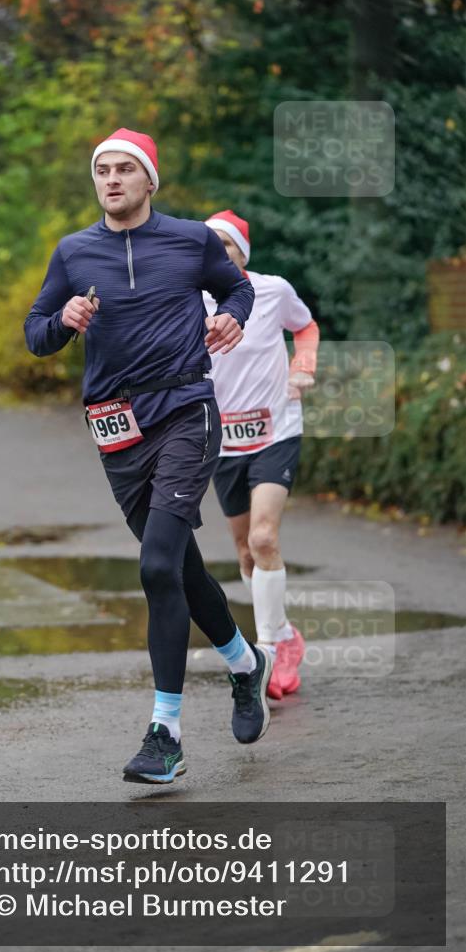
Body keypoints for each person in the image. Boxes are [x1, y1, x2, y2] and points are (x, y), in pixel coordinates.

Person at [25, 129, 272, 784]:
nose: (110, 179)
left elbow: (237, 288)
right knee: (178, 571)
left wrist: (231, 317)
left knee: (156, 562)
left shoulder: (190, 240)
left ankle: (164, 733)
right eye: (101, 170)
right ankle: (246, 665)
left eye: (123, 169)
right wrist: (62, 322)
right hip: (115, 425)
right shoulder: (73, 252)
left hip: (185, 409)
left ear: (148, 181)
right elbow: (34, 335)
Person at [203, 210, 319, 700]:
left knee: (265, 537)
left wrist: (302, 367)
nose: (216, 254)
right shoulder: (188, 299)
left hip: (276, 429)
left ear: (240, 254)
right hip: (222, 442)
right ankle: (287, 635)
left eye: (225, 246)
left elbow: (306, 327)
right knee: (247, 552)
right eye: (208, 247)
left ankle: (268, 648)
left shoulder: (272, 290)